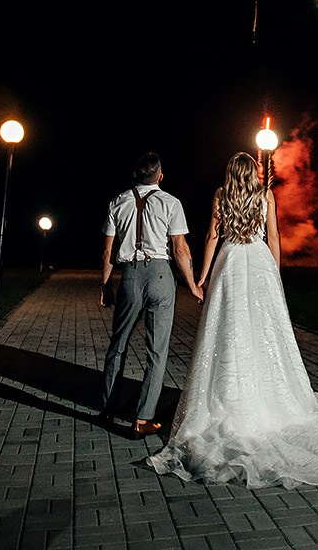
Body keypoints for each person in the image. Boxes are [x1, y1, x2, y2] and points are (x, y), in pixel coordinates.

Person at [147, 151, 318, 488]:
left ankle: (231, 394)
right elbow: (275, 236)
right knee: (264, 331)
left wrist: (203, 276)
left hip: (231, 261)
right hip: (259, 260)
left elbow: (211, 235)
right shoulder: (266, 194)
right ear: (252, 172)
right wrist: (274, 273)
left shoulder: (222, 194)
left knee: (230, 330)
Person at [96, 151, 203, 438]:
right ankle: (143, 418)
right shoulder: (171, 202)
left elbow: (108, 250)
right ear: (160, 176)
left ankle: (107, 408)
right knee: (156, 350)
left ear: (135, 174)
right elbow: (180, 249)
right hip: (160, 275)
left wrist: (105, 285)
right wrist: (192, 285)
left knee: (118, 344)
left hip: (130, 275)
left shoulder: (117, 202)